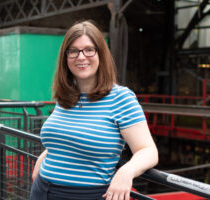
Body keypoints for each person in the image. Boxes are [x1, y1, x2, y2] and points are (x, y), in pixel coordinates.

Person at [30, 20, 158, 200]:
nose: (81, 57)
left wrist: (126, 171)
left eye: (89, 49)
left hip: (87, 195)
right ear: (65, 58)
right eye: (73, 51)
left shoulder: (121, 99)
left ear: (101, 54)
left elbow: (148, 150)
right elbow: (67, 135)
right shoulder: (66, 96)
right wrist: (47, 154)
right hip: (42, 190)